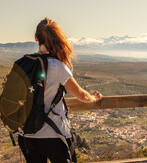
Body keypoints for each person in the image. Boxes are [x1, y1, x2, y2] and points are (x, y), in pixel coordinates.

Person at [18, 17, 103, 163]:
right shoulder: (57, 66)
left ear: (36, 38)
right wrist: (94, 98)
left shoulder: (23, 63)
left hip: (26, 135)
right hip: (54, 135)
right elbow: (81, 95)